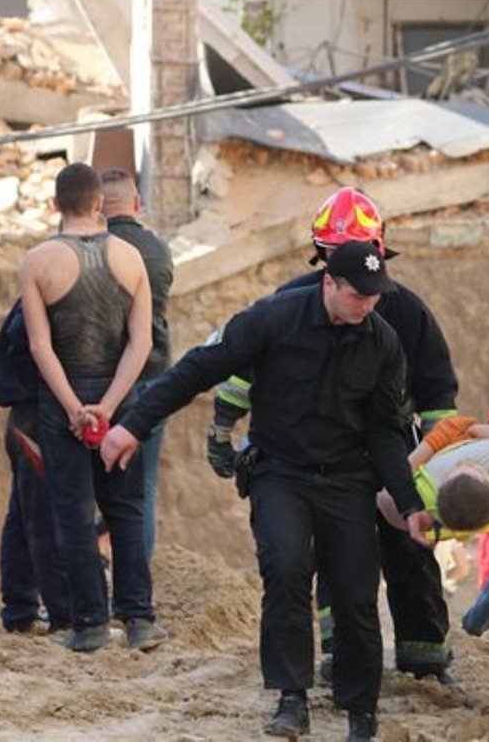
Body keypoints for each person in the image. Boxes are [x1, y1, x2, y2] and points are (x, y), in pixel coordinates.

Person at [100, 240, 436, 742]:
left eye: (376, 295)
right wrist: (133, 425)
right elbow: (197, 370)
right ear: (329, 283)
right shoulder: (272, 319)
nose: (369, 304)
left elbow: (386, 432)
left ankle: (360, 711)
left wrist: (409, 504)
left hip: (348, 478)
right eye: (359, 295)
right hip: (282, 472)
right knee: (286, 568)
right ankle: (291, 696)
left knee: (355, 594)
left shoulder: (383, 342)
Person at [207, 187, 461, 683]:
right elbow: (243, 370)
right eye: (335, 255)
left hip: (392, 449)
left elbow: (436, 397)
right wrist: (221, 428)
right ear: (321, 256)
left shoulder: (407, 313)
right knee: (330, 554)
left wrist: (433, 466)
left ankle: (426, 654)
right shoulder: (288, 305)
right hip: (318, 451)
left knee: (409, 549)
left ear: (380, 251)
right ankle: (338, 653)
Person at [19, 162, 164, 653]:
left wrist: (73, 407)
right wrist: (109, 405)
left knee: (74, 513)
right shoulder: (130, 257)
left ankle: (91, 625)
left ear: (56, 205)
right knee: (126, 508)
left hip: (62, 403)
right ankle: (139, 619)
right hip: (119, 399)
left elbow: (40, 347)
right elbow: (141, 343)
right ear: (99, 203)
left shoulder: (38, 261)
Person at [100, 167, 174, 561]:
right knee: (142, 486)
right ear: (136, 203)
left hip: (100, 384)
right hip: (153, 380)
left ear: (98, 206)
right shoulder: (159, 250)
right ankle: (136, 579)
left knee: (88, 485)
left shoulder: (92, 250)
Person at [0, 299, 71, 634]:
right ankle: (63, 613)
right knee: (42, 517)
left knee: (25, 512)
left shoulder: (41, 290)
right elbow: (25, 339)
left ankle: (21, 610)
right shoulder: (49, 288)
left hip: (31, 413)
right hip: (36, 415)